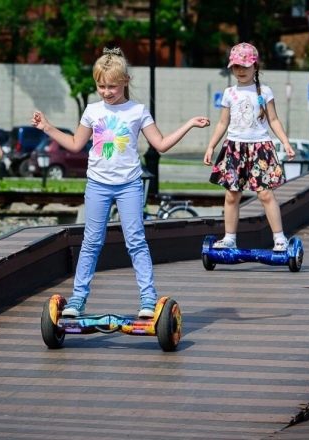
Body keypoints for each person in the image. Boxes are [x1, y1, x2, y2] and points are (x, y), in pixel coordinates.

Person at [31, 47, 209, 319]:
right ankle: (78, 299)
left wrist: (189, 124)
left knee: (136, 240)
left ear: (125, 81)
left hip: (129, 185)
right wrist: (48, 127)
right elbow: (76, 144)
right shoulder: (92, 110)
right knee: (91, 242)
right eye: (101, 86)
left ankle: (148, 299)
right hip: (97, 185)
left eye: (112, 86)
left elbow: (160, 144)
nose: (106, 92)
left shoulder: (137, 111)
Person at [204, 42, 296, 251]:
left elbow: (273, 120)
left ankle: (279, 238)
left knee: (265, 194)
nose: (240, 71)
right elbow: (222, 123)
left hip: (260, 148)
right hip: (234, 148)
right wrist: (211, 146)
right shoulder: (229, 92)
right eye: (236, 66)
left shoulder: (265, 91)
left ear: (255, 66)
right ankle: (229, 238)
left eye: (245, 66)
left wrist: (285, 142)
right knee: (231, 195)